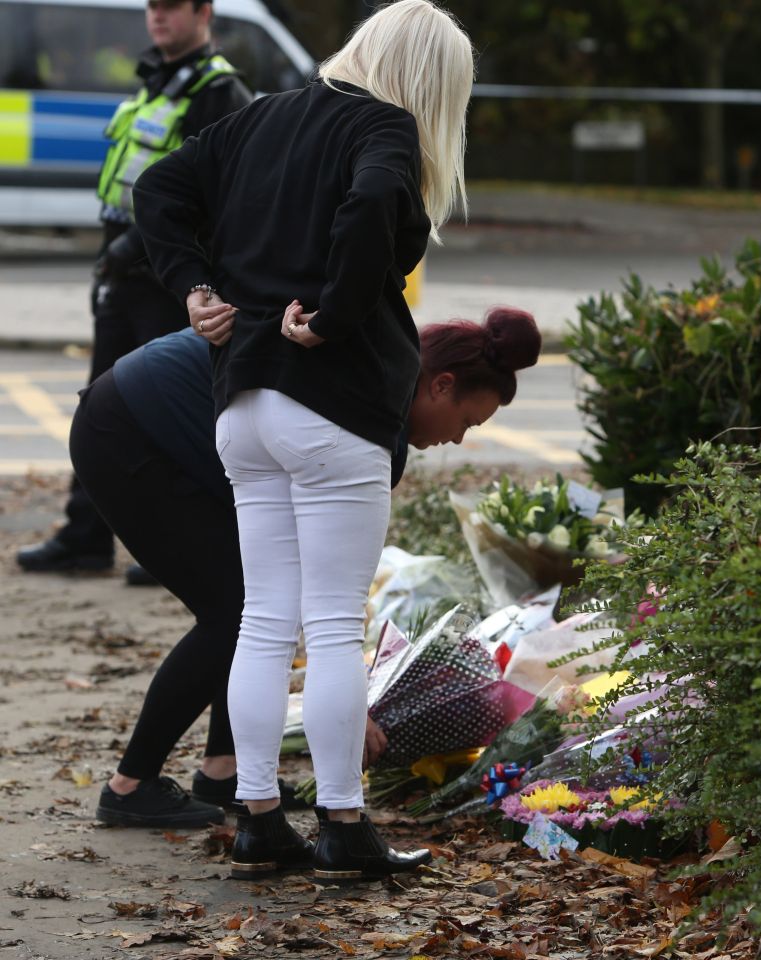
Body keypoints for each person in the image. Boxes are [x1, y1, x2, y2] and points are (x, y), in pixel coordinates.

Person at [133, 0, 475, 882]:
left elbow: (157, 189)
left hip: (241, 404)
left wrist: (190, 286)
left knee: (261, 617)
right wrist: (334, 310)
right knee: (330, 624)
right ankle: (344, 824)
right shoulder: (387, 127)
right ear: (431, 80)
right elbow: (368, 211)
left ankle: (256, 817)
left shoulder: (261, 117)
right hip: (331, 407)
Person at [71, 304, 541, 845]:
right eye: (466, 422)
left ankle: (225, 772)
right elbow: (329, 591)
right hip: (130, 428)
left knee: (257, 599)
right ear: (441, 385)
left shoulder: (376, 377)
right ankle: (131, 785)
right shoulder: (369, 414)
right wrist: (346, 701)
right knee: (235, 611)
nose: (457, 440)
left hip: (171, 423)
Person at [17, 0, 252, 579]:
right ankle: (86, 537)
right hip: (125, 270)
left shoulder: (218, 93)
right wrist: (115, 254)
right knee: (99, 403)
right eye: (152, 6)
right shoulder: (155, 82)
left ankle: (179, 541)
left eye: (172, 7)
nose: (157, 17)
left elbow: (204, 201)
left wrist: (136, 252)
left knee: (167, 411)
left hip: (170, 279)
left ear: (205, 13)